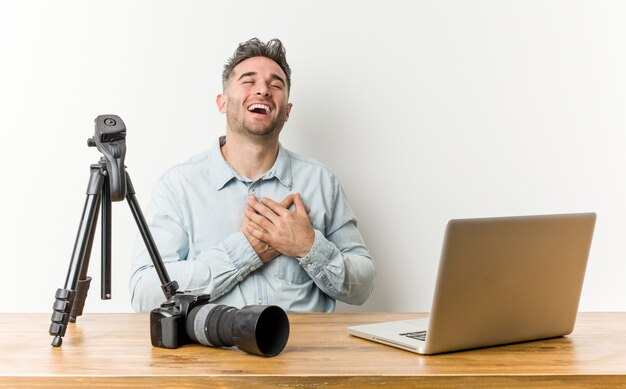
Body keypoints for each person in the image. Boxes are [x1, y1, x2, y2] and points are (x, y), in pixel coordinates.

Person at [130, 38, 375, 312]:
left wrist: (308, 246)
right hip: (211, 353)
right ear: (222, 103)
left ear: (287, 112)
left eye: (275, 84)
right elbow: (145, 294)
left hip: (304, 352)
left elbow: (363, 286)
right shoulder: (178, 186)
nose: (263, 90)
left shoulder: (321, 182)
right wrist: (245, 251)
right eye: (248, 81)